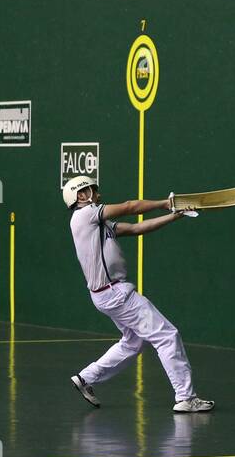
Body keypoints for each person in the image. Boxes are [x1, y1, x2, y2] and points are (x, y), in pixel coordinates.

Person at [63, 174, 213, 413]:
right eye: (93, 190)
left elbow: (136, 228)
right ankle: (186, 397)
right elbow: (130, 208)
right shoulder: (85, 215)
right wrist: (165, 203)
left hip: (105, 295)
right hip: (116, 294)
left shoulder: (96, 225)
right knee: (167, 335)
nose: (98, 194)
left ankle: (86, 377)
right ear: (81, 195)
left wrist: (175, 215)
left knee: (133, 342)